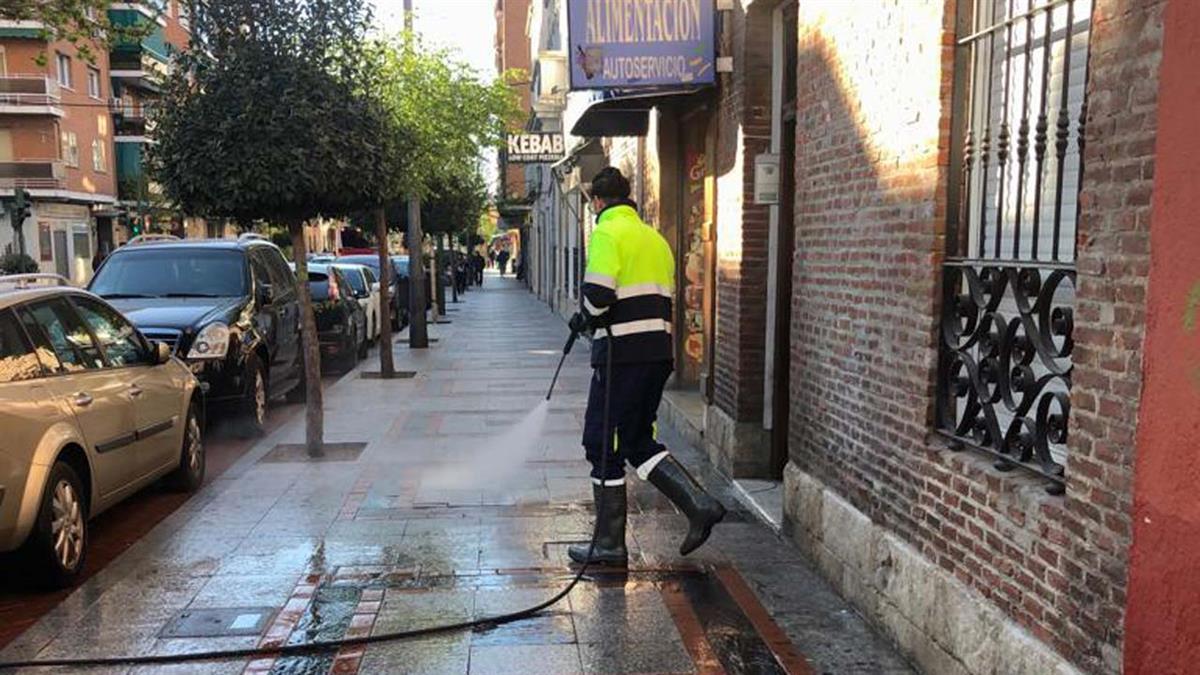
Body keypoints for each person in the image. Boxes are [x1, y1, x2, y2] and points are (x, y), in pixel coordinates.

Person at [566, 167, 725, 566]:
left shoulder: (606, 232)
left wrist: (584, 315)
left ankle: (608, 545)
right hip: (657, 355)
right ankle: (699, 505)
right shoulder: (654, 238)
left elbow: (599, 295)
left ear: (597, 202)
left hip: (622, 356)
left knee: (600, 443)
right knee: (636, 441)